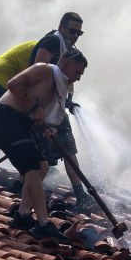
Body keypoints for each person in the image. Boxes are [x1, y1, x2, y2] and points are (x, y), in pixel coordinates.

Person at [0, 48, 88, 242]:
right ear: (66, 64)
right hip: (5, 119)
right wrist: (34, 107)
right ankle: (42, 223)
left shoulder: (59, 87)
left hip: (21, 124)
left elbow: (41, 114)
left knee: (42, 168)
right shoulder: (44, 70)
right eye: (78, 72)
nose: (78, 78)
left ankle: (23, 216)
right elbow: (13, 84)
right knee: (33, 170)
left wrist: (48, 128)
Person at [27, 12, 91, 211]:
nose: (75, 36)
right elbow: (39, 70)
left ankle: (80, 194)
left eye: (79, 33)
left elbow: (66, 78)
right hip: (43, 104)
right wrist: (43, 104)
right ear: (61, 27)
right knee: (47, 152)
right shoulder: (52, 42)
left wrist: (68, 101)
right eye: (72, 31)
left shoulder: (68, 48)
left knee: (65, 149)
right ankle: (29, 191)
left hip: (55, 103)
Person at [0, 40, 39, 183]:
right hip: (0, 81)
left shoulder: (41, 47)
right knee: (0, 130)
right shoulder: (43, 50)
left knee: (2, 130)